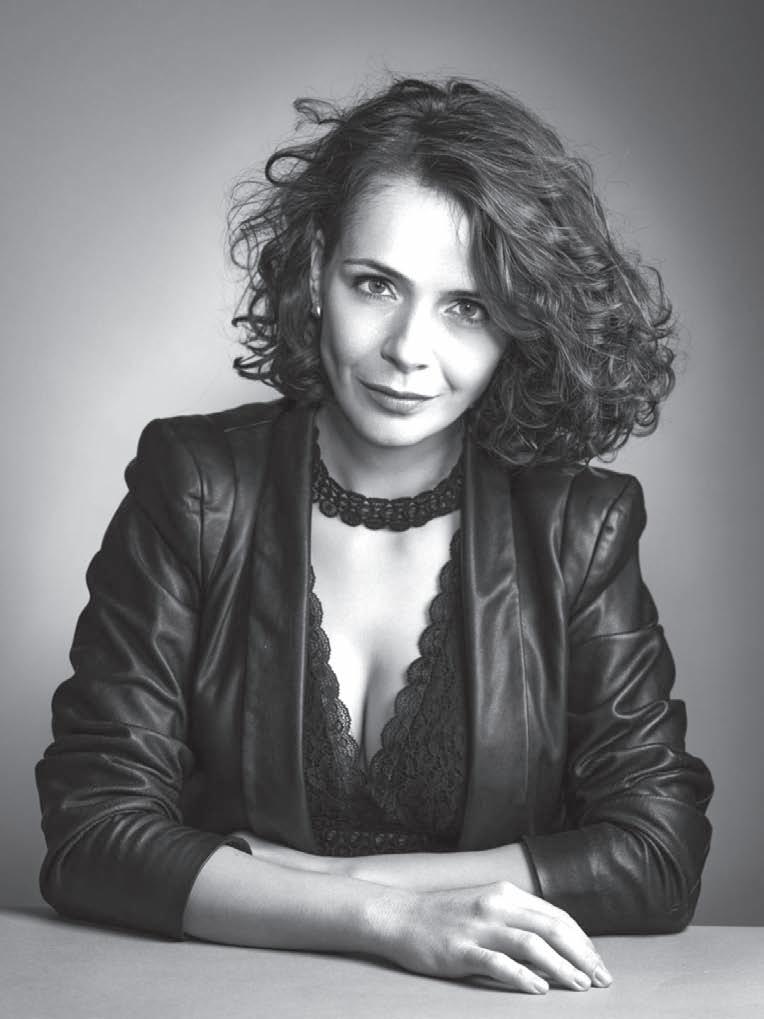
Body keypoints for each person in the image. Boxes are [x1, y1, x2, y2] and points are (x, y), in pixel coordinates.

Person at [35, 77, 713, 995]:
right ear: (319, 268)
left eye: (468, 306)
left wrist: (330, 876)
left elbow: (658, 850)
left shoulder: (577, 528)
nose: (408, 349)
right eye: (376, 284)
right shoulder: (194, 484)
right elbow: (91, 830)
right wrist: (390, 919)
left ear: (521, 324)